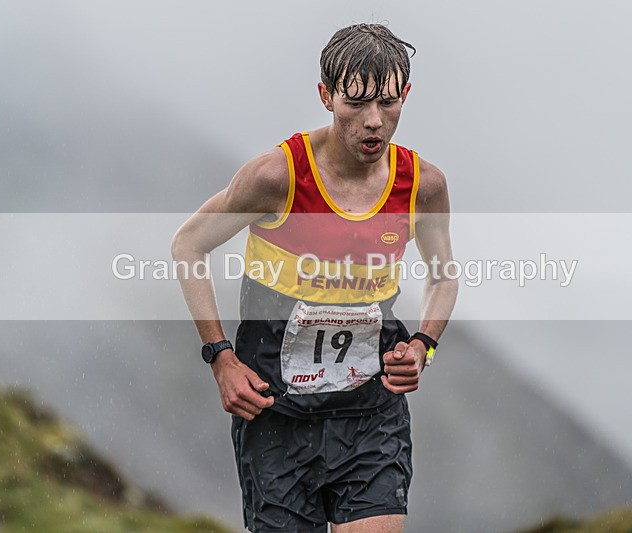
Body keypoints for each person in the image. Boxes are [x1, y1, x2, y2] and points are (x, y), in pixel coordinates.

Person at [172, 23, 457, 533]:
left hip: (371, 416)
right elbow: (189, 245)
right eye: (356, 103)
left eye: (389, 102)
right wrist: (220, 358)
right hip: (276, 418)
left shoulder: (423, 185)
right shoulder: (276, 177)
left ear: (406, 95)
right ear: (326, 96)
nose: (374, 121)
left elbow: (444, 276)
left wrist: (423, 346)